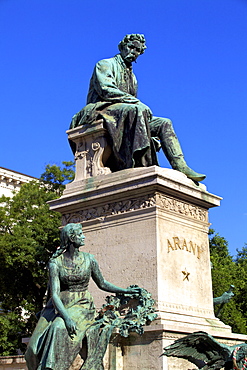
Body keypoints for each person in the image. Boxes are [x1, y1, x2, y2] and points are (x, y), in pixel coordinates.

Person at [70, 34, 205, 182]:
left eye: (137, 50)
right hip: (100, 109)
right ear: (122, 47)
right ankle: (139, 162)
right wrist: (136, 102)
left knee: (164, 123)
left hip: (125, 111)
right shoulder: (105, 64)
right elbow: (106, 89)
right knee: (137, 110)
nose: (133, 52)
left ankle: (180, 165)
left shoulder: (133, 78)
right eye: (131, 47)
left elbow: (131, 104)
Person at [25, 223, 140, 370]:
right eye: (80, 234)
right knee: (32, 350)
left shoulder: (89, 259)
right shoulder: (56, 262)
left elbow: (103, 283)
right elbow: (54, 293)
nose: (84, 237)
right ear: (72, 238)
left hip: (81, 305)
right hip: (58, 305)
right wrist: (66, 317)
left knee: (58, 327)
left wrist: (125, 291)